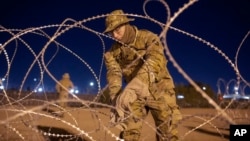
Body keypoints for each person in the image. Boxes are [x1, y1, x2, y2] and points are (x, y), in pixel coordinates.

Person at [103, 10, 182, 141]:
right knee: (129, 132)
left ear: (126, 24)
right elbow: (114, 74)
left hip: (159, 90)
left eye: (118, 30)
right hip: (134, 95)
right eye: (111, 33)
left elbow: (155, 60)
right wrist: (116, 98)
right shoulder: (112, 53)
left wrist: (137, 84)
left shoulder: (148, 38)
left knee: (167, 132)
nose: (115, 36)